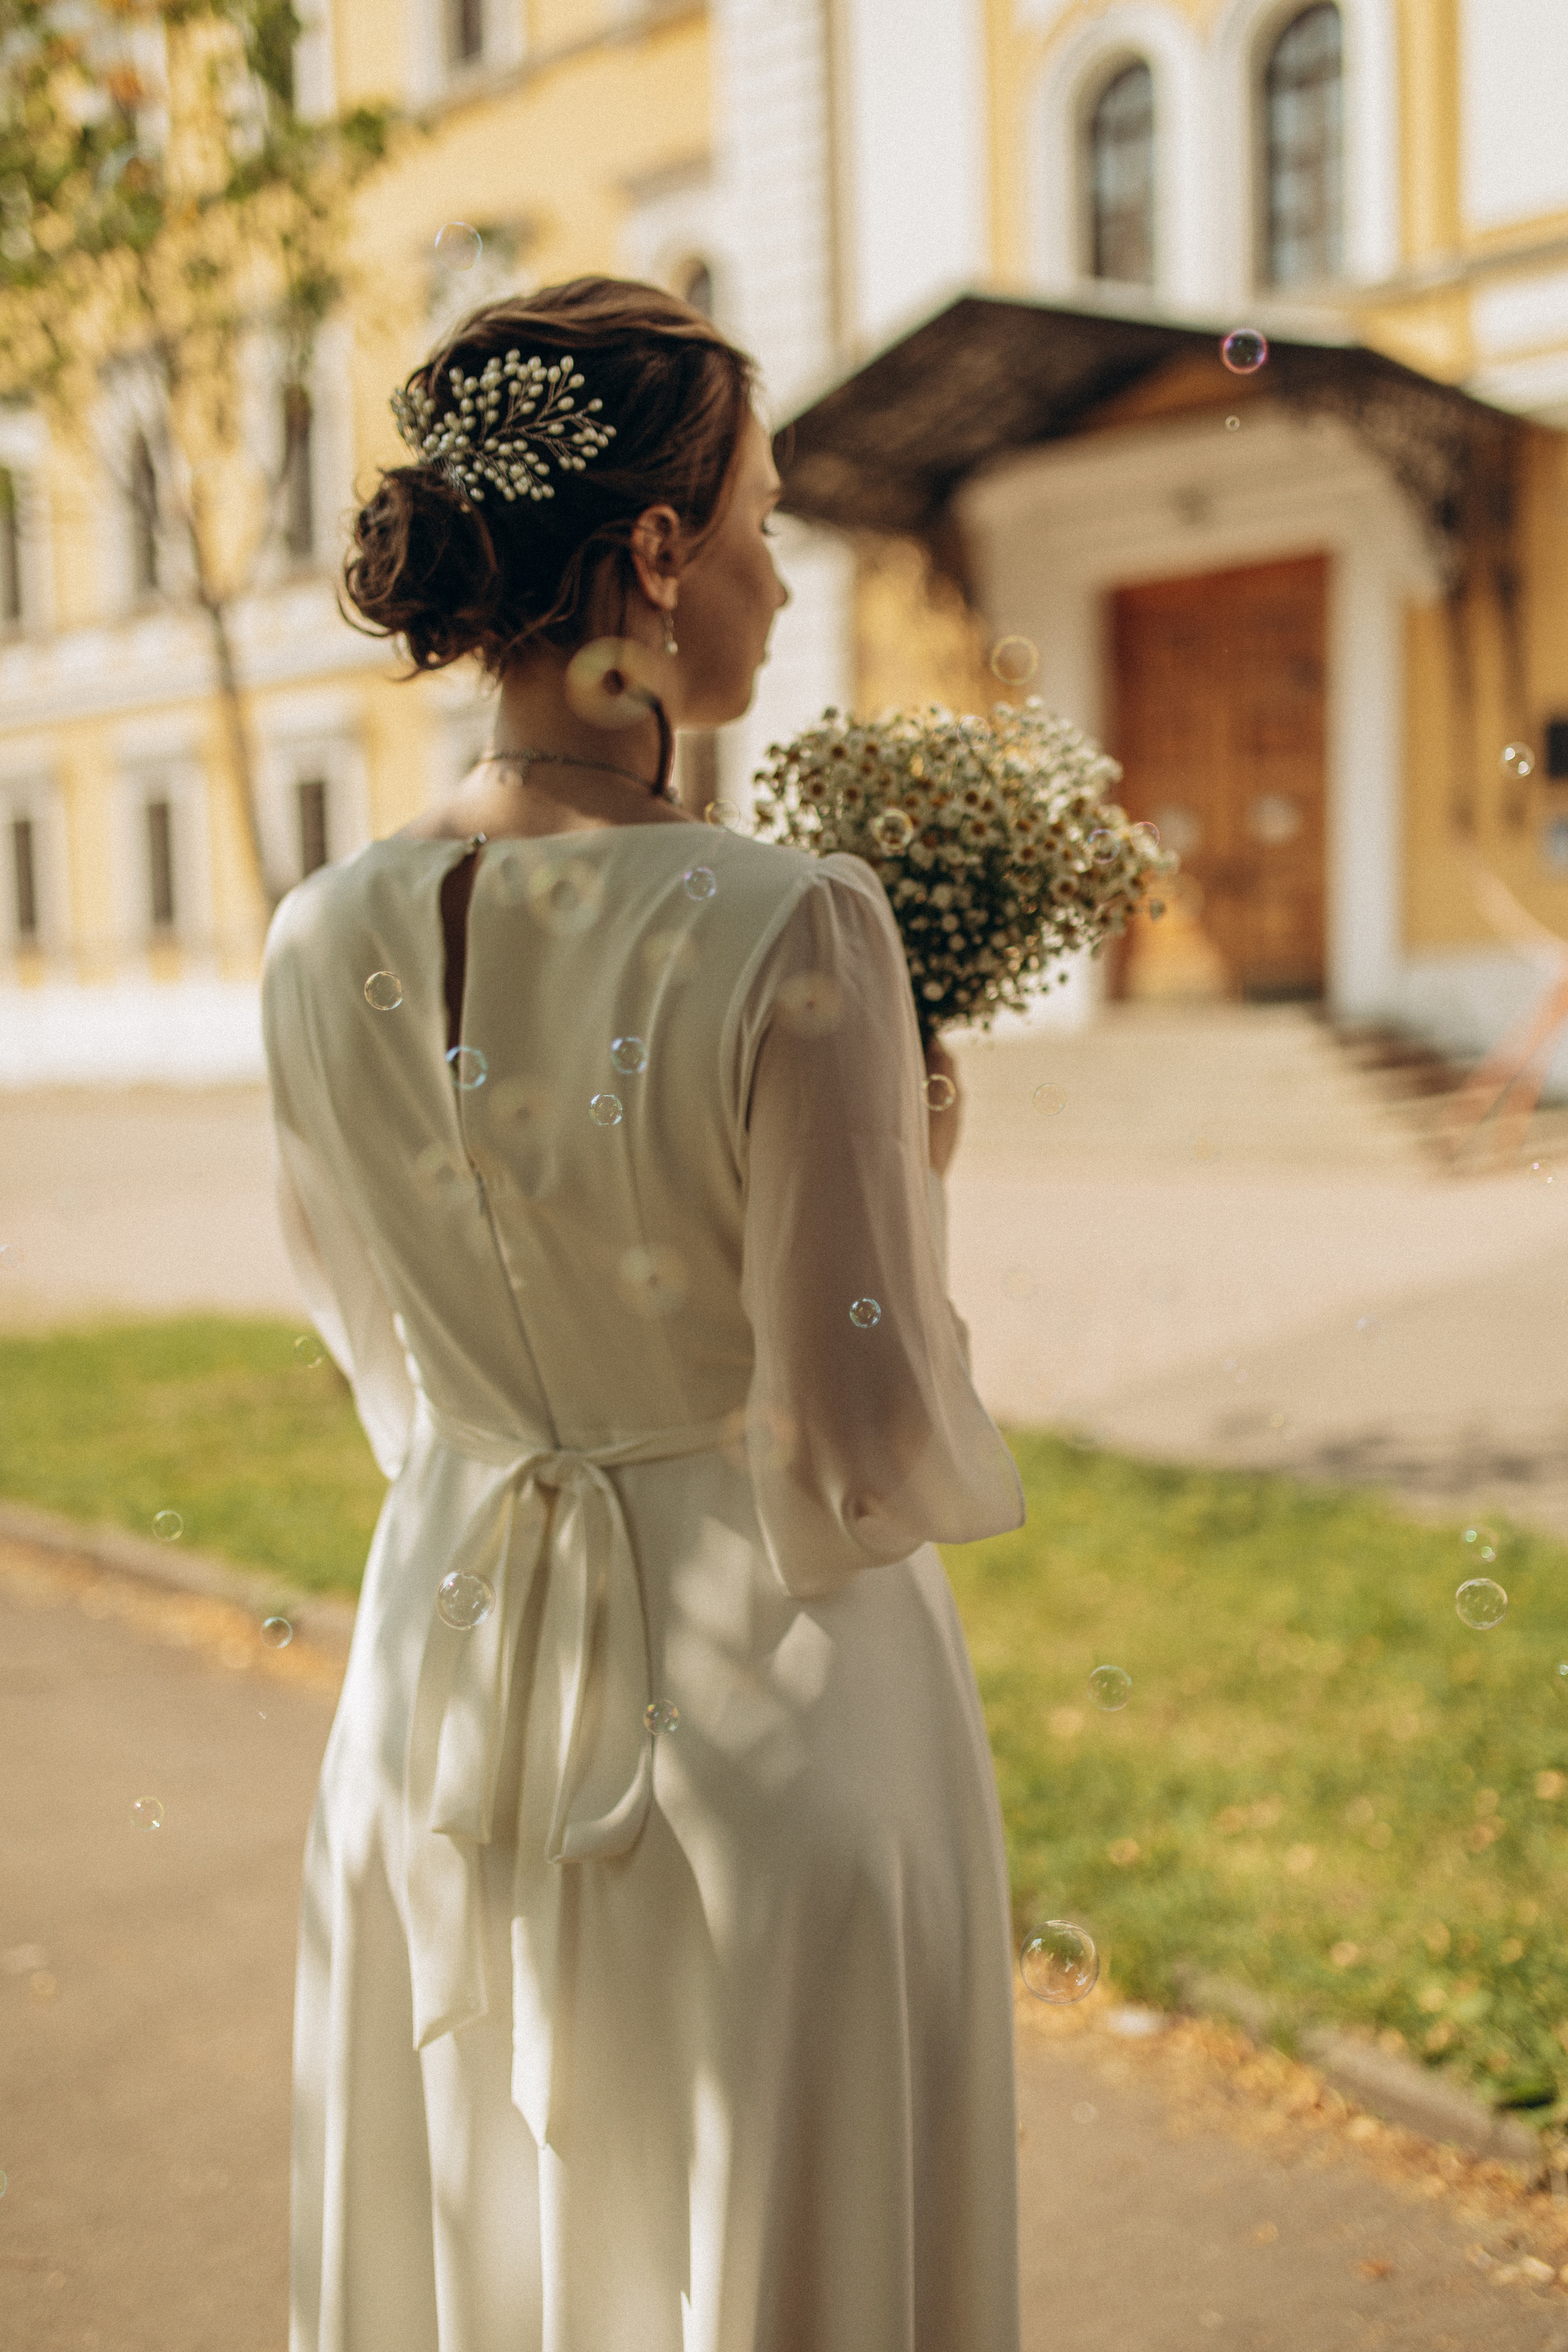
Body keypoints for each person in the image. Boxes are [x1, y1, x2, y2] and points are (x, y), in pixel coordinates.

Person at [263, 276, 1026, 2352]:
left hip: (434, 1697)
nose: (787, 575)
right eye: (765, 516)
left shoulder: (311, 935)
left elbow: (386, 1367)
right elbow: (861, 1449)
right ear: (662, 554)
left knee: (482, 2261)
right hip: (761, 1726)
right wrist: (907, 1176)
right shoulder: (797, 924)